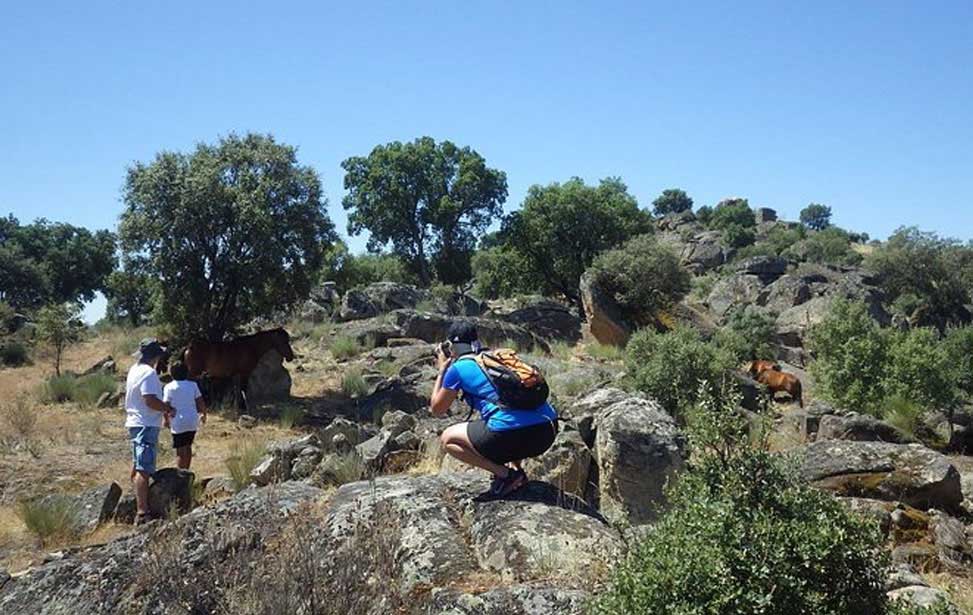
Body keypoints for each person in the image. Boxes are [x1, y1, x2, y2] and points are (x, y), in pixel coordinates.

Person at [430, 322, 558, 497]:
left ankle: (508, 475)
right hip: (547, 431)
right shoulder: (496, 358)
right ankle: (516, 467)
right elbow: (516, 402)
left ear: (450, 347)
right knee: (507, 412)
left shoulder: (457, 369)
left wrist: (442, 371)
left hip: (509, 435)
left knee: (448, 439)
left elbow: (437, 409)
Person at [125, 338, 172, 525]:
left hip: (136, 422)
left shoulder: (134, 370)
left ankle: (135, 500)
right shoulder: (148, 373)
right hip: (145, 423)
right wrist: (166, 408)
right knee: (144, 469)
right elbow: (150, 400)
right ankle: (142, 512)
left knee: (137, 463)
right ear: (156, 356)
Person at [163, 361, 207, 470]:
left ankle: (180, 473)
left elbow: (166, 405)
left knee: (180, 450)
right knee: (188, 446)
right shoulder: (193, 385)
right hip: (192, 420)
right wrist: (204, 413)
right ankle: (186, 470)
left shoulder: (169, 387)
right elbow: (200, 401)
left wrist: (166, 419)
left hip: (178, 421)